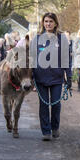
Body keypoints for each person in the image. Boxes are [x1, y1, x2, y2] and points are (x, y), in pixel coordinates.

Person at [31, 12, 72, 141]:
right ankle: (46, 131)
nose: (48, 24)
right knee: (43, 105)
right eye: (46, 21)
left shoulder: (61, 38)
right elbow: (31, 59)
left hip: (56, 77)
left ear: (55, 23)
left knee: (55, 104)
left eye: (50, 21)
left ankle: (55, 127)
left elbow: (66, 58)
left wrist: (69, 77)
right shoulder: (37, 38)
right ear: (43, 23)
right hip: (40, 77)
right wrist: (31, 77)